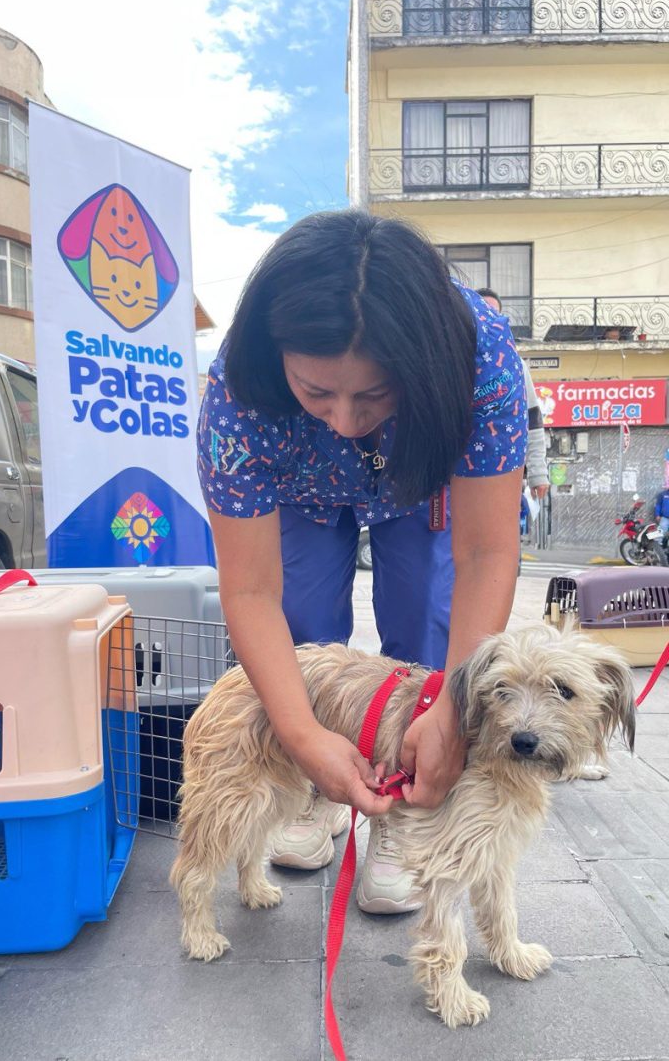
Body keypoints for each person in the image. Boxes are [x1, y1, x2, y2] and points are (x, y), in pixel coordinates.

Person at [197, 211, 527, 915]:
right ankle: (317, 783)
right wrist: (301, 735)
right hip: (302, 493)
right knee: (303, 622)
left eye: (375, 393)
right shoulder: (236, 394)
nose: (346, 421)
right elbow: (251, 592)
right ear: (277, 357)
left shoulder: (482, 356)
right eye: (316, 392)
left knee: (428, 617)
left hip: (418, 483)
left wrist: (451, 712)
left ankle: (407, 807)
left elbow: (485, 552)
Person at [475, 289, 550, 503]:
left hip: (504, 472)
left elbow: (532, 419)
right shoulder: (452, 363)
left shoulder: (514, 365)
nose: (487, 320)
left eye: (493, 314)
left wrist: (538, 472)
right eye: (482, 312)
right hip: (457, 476)